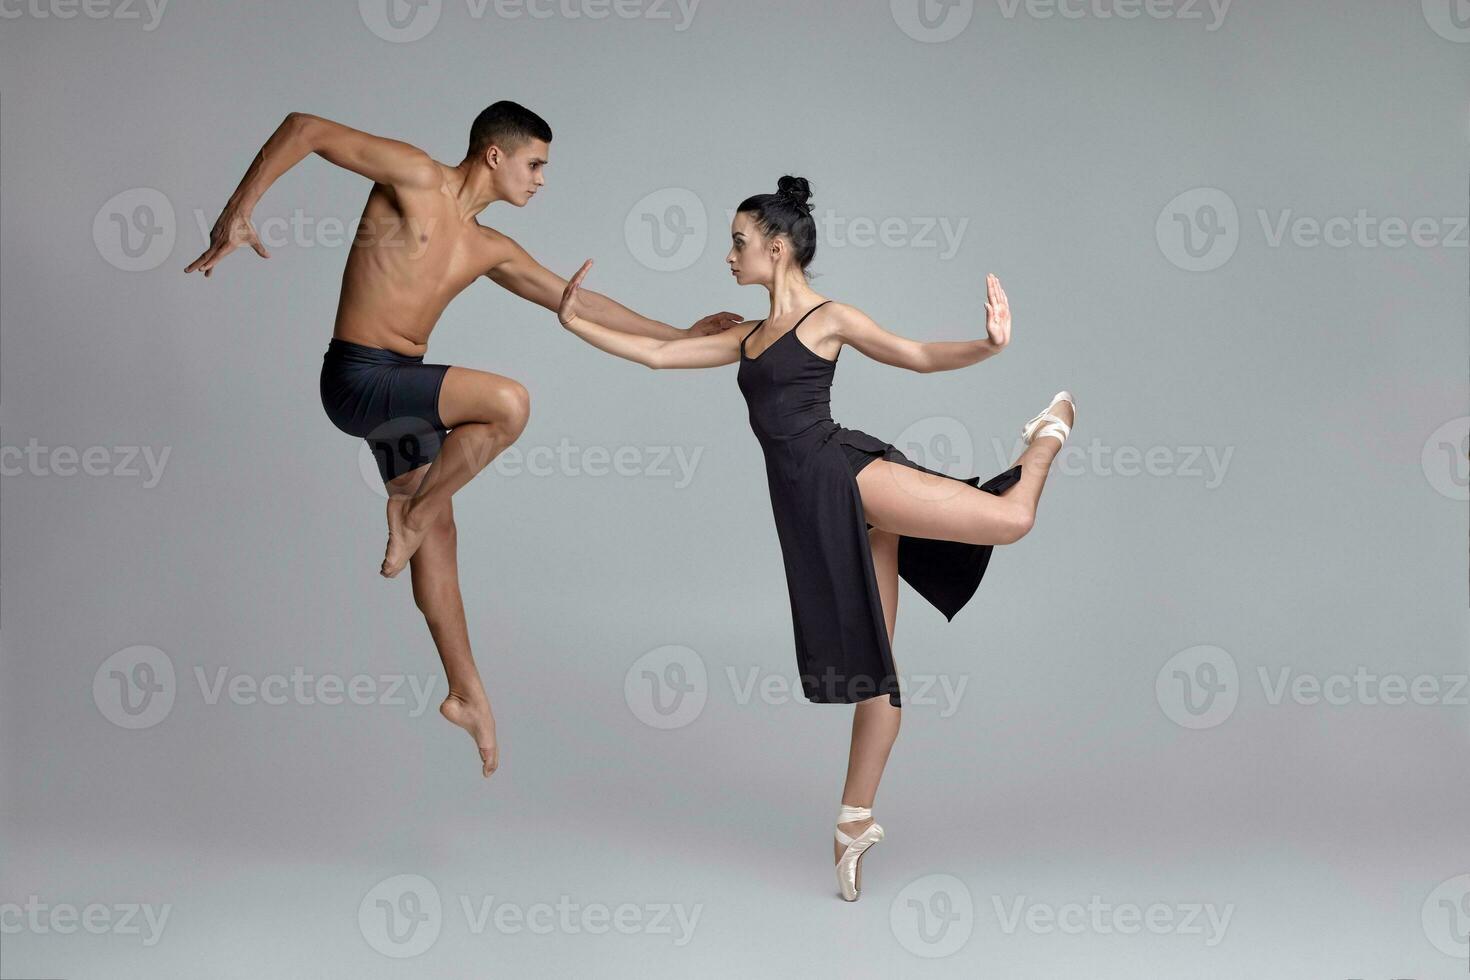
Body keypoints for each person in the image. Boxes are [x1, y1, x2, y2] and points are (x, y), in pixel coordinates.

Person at [552, 176, 1076, 900]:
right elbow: (657, 356)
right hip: (815, 507)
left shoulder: (829, 320)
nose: (727, 255)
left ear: (775, 248)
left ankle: (1048, 433)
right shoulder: (744, 337)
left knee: (1013, 520)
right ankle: (853, 821)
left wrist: (988, 346)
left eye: (737, 243)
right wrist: (573, 321)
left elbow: (915, 355)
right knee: (876, 673)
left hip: (847, 476)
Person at [184, 101, 742, 779]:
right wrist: (238, 210)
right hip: (357, 378)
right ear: (495, 155)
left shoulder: (490, 248)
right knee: (508, 404)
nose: (541, 180)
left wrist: (681, 334)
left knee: (442, 536)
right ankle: (409, 515)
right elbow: (305, 129)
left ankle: (466, 693)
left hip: (401, 394)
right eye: (535, 165)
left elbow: (575, 300)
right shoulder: (415, 177)